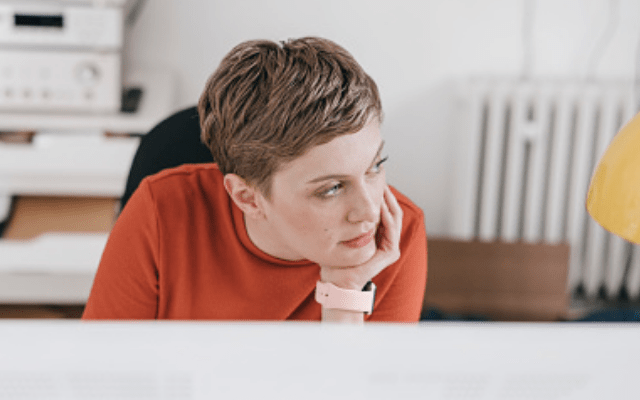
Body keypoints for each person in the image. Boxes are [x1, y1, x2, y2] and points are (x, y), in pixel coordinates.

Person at [82, 37, 427, 323]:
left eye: (375, 166)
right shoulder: (159, 211)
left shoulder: (397, 234)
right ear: (247, 198)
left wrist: (345, 293)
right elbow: (105, 374)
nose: (368, 211)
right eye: (331, 189)